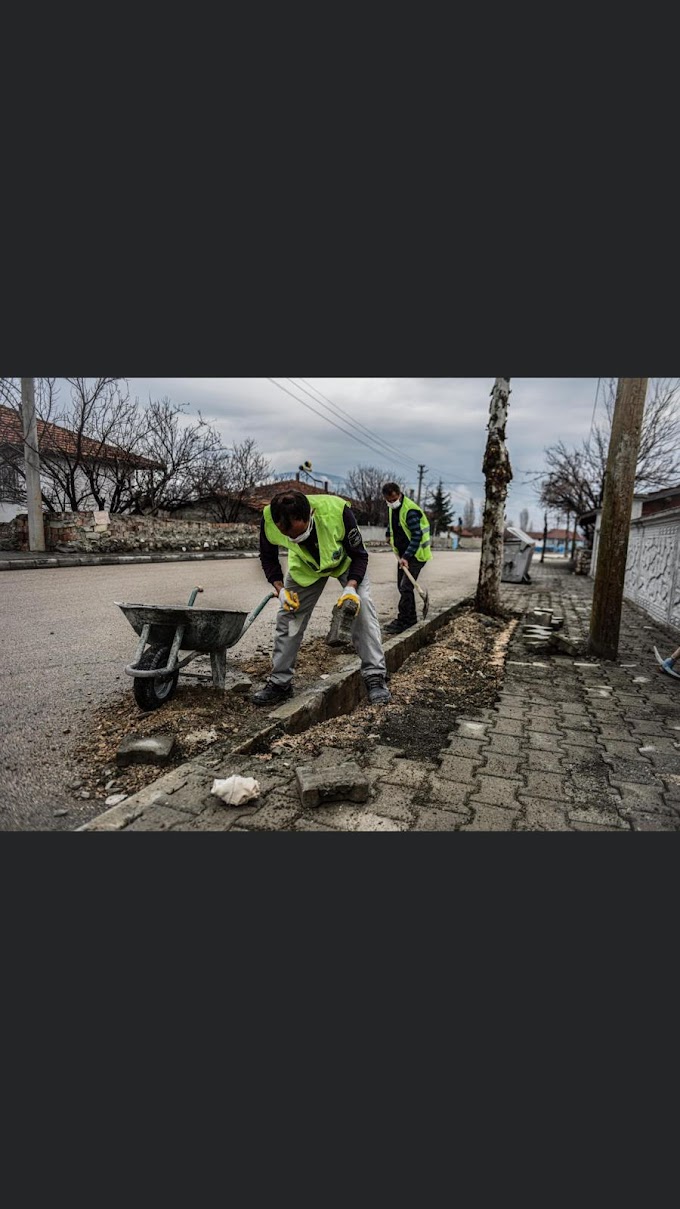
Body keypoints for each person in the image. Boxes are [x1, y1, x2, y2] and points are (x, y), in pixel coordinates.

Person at [252, 490, 391, 706]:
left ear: (311, 514)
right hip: (306, 568)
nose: (294, 540)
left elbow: (360, 555)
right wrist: (280, 590)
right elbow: (268, 557)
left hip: (345, 562)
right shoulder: (270, 518)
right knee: (289, 619)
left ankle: (375, 677)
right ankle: (280, 683)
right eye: (289, 537)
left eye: (299, 534)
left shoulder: (337, 511)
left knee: (361, 610)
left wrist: (351, 588)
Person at [381, 481, 432, 633]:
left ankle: (403, 621)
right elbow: (393, 522)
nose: (391, 503)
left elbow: (417, 536)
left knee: (405, 586)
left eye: (393, 500)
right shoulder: (392, 507)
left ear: (399, 494)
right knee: (402, 587)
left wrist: (407, 557)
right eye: (388, 501)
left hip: (416, 555)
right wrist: (388, 533)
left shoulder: (410, 511)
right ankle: (411, 618)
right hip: (404, 553)